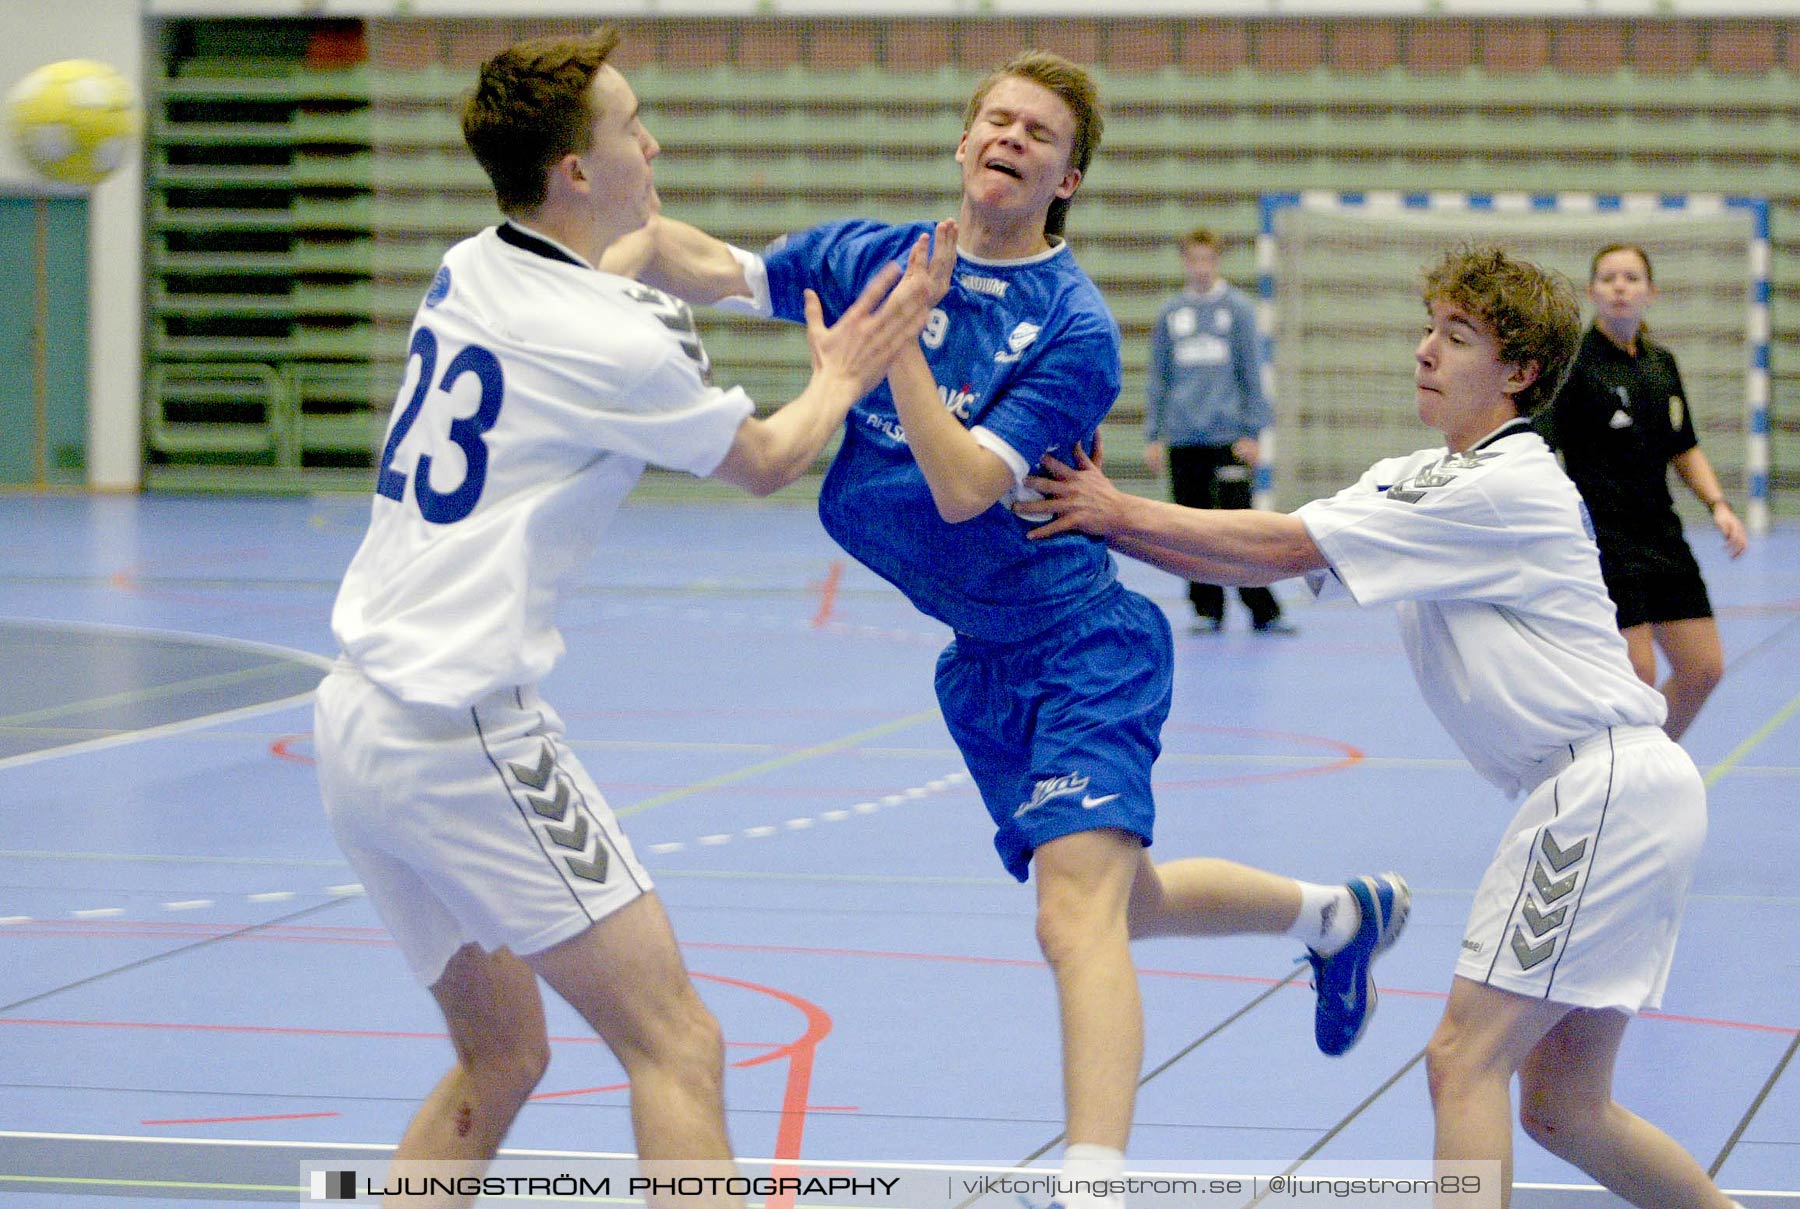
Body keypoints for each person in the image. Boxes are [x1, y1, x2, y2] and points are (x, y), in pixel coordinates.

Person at [612, 50, 1406, 1209]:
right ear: (961, 143)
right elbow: (715, 268)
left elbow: (963, 490)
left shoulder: (1073, 328)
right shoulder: (878, 254)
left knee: (1070, 917)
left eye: (1037, 132)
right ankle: (1338, 915)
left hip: (1081, 643)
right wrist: (601, 227)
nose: (1010, 137)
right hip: (980, 663)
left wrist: (894, 350)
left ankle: (1093, 1180)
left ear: (1067, 177)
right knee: (1120, 901)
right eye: (995, 118)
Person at [310, 29, 948, 1208]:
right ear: (575, 174)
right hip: (465, 737)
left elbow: (644, 250)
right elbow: (765, 458)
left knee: (502, 1055)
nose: (653, 142)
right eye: (632, 128)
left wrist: (729, 266)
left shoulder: (474, 264)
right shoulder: (611, 338)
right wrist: (848, 364)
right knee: (680, 1045)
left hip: (351, 728)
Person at [1023, 245, 1740, 1209]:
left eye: (1457, 337)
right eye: (1428, 329)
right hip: (1618, 794)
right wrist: (1110, 521)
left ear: (1521, 372)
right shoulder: (1422, 477)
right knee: (1565, 1107)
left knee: (1461, 1061)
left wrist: (1112, 511)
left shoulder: (1503, 483)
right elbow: (1266, 559)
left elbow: (1279, 544)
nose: (1425, 351)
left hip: (1602, 793)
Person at [1537, 243, 1748, 741]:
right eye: (1608, 278)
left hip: (1662, 536)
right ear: (1592, 291)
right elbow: (1540, 450)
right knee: (1638, 679)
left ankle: (1642, 760)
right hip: (1605, 542)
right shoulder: (1574, 365)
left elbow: (1685, 446)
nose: (1619, 286)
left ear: (1650, 292)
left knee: (1704, 669)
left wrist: (1719, 505)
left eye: (1632, 278)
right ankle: (1617, 777)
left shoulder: (1662, 364)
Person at [1144, 227, 1293, 635]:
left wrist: (1253, 432)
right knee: (1191, 532)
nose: (1201, 267)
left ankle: (1264, 609)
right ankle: (1207, 609)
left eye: (1208, 259)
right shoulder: (1171, 314)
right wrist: (1154, 435)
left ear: (1218, 261)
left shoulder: (1238, 309)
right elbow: (1159, 377)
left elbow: (1252, 371)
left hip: (1228, 439)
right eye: (1194, 259)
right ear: (1185, 262)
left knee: (1238, 529)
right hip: (1183, 439)